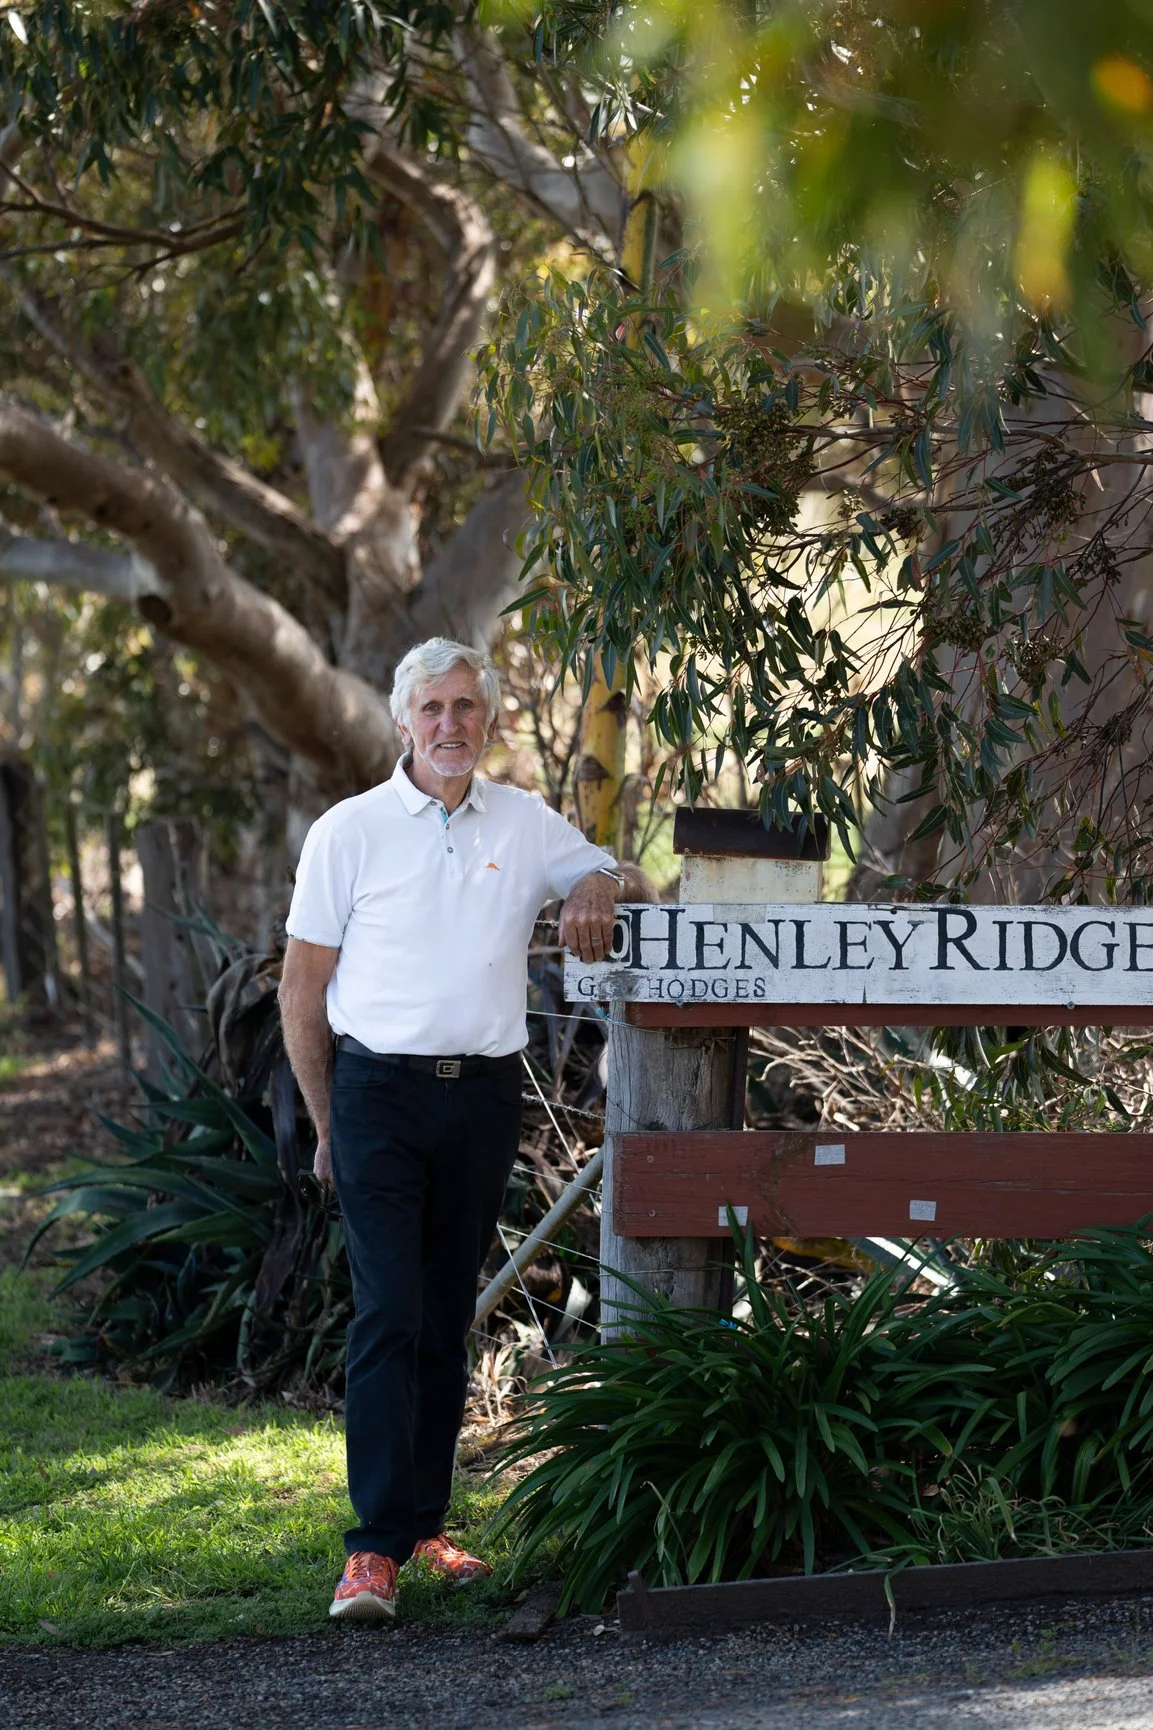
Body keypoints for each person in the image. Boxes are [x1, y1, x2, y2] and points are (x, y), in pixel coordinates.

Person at [278, 636, 621, 1623]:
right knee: (388, 1309)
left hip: (481, 1094)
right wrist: (326, 1121)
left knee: (443, 1311)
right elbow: (303, 988)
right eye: (432, 707)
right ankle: (372, 1551)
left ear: (489, 718)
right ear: (401, 720)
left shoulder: (521, 817)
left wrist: (597, 883)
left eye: (467, 706)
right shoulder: (349, 831)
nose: (450, 725)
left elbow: (605, 859)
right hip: (377, 1094)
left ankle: (425, 1522)